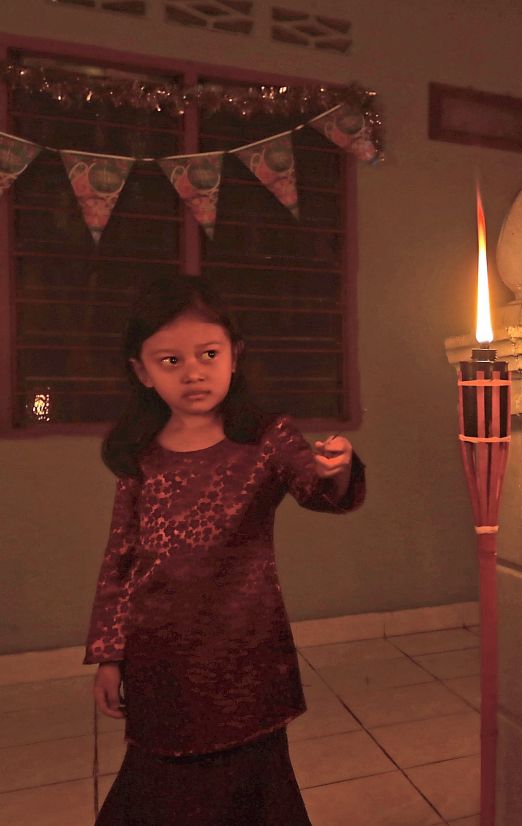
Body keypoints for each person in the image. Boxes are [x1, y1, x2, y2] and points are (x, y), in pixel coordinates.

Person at [85, 275, 365, 824]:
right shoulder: (140, 456)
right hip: (161, 661)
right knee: (159, 787)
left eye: (207, 353)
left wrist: (338, 468)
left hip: (245, 657)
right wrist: (109, 655)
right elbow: (119, 559)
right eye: (170, 360)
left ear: (234, 355)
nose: (192, 371)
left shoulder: (266, 438)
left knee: (253, 789)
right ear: (141, 372)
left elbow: (317, 491)